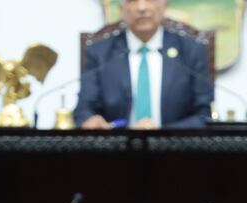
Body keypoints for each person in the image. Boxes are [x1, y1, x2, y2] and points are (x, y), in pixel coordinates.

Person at [74, 0, 213, 129]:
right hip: (116, 148)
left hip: (175, 149)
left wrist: (161, 133)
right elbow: (83, 111)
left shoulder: (191, 50)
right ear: (122, 8)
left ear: (165, 5)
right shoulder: (100, 52)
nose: (142, 7)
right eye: (132, 0)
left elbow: (204, 114)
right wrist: (90, 120)